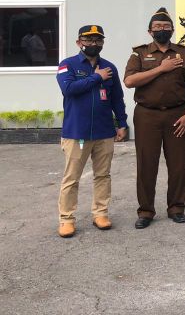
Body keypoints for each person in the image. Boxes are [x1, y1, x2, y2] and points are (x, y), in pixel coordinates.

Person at [124, 7, 185, 229]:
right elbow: (129, 81)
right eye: (157, 27)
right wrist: (161, 68)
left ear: (172, 29)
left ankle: (176, 207)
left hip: (178, 114)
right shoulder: (139, 53)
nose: (162, 30)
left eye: (166, 27)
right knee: (147, 164)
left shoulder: (184, 53)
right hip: (147, 115)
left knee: (178, 164)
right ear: (150, 31)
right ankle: (146, 211)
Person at [55, 25, 128, 238]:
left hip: (104, 133)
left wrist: (122, 123)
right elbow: (68, 90)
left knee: (103, 175)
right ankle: (66, 219)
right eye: (88, 40)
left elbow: (117, 99)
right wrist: (97, 78)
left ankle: (101, 213)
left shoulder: (110, 68)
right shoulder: (67, 65)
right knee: (72, 178)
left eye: (98, 40)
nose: (93, 44)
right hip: (76, 132)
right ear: (79, 43)